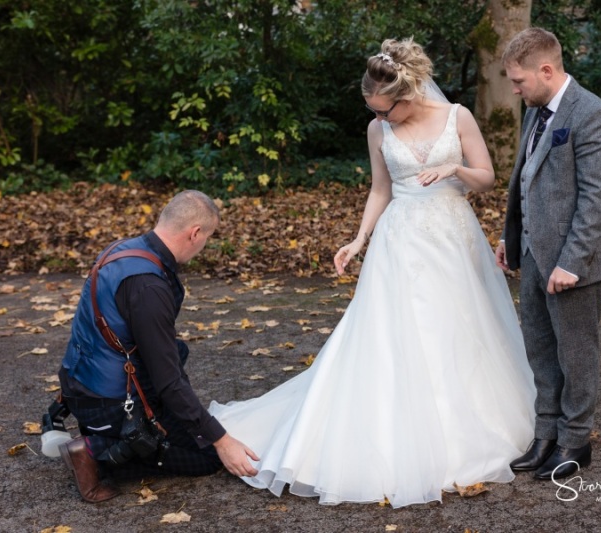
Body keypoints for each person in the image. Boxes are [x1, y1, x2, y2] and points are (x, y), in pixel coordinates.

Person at [208, 38, 535, 508]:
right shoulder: (377, 131)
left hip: (452, 238)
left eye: (387, 111)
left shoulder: (456, 116)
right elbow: (380, 190)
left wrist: (452, 168)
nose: (381, 119)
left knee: (459, 329)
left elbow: (487, 176)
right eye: (375, 111)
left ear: (407, 95)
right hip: (399, 242)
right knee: (395, 334)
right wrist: (358, 240)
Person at [55, 190, 258, 503]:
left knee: (177, 351)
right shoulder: (148, 285)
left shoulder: (127, 249)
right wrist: (220, 440)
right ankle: (98, 451)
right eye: (209, 237)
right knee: (207, 457)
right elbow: (168, 381)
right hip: (104, 401)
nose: (205, 244)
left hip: (82, 380)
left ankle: (113, 431)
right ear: (195, 233)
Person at [494, 28, 601, 480]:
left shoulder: (592, 114)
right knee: (540, 350)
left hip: (574, 263)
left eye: (518, 81)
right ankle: (545, 435)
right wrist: (511, 236)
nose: (514, 89)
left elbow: (595, 198)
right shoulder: (536, 111)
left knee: (576, 352)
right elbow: (527, 179)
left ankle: (575, 440)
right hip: (532, 253)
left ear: (546, 70)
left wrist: (571, 261)